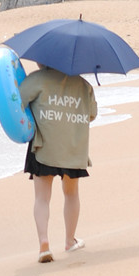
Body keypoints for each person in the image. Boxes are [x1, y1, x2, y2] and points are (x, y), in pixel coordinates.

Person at [18, 66, 97, 264]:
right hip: (73, 147)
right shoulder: (83, 85)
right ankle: (70, 241)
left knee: (42, 198)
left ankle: (44, 243)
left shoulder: (36, 79)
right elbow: (92, 114)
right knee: (71, 193)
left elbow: (17, 103)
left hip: (44, 146)